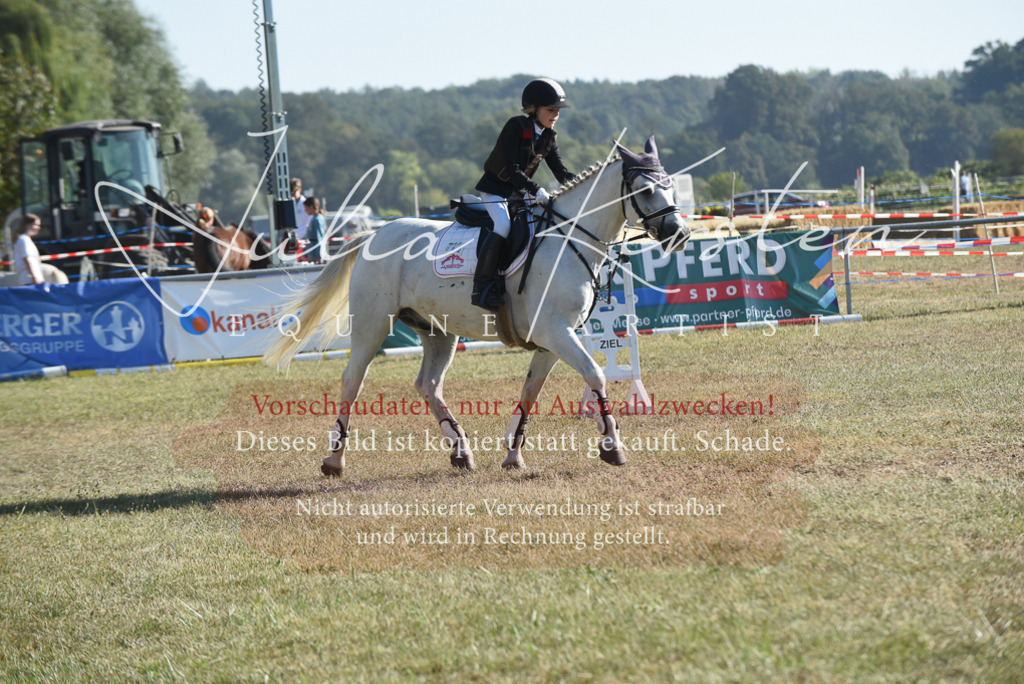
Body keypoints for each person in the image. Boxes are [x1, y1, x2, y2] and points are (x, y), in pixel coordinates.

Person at [471, 77, 576, 311]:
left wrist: (582, 185)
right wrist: (536, 189)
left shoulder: (549, 136)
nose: (555, 115)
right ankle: (482, 287)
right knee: (503, 226)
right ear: (534, 108)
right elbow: (511, 168)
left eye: (557, 111)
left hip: (519, 192)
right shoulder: (516, 127)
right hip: (496, 189)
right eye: (550, 110)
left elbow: (560, 170)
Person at [13, 214, 68, 286]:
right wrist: (35, 277)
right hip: (29, 280)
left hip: (30, 279)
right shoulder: (24, 240)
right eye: (36, 225)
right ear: (28, 225)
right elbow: (28, 259)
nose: (39, 228)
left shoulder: (25, 239)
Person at [303, 196, 328, 264]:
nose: (305, 210)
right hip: (312, 252)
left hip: (315, 256)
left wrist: (319, 256)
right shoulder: (314, 218)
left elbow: (319, 239)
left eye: (306, 208)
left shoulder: (317, 219)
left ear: (311, 207)